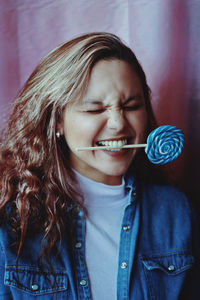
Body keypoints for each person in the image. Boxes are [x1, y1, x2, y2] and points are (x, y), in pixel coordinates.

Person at [0, 32, 199, 300]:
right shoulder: (11, 218)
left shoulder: (176, 211)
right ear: (57, 120)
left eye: (132, 105)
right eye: (95, 110)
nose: (118, 124)